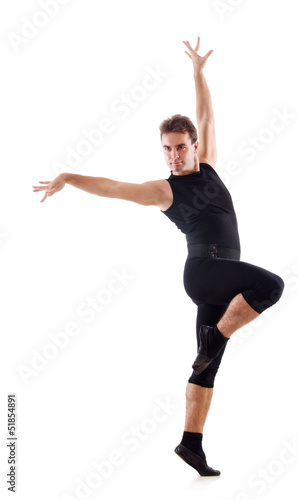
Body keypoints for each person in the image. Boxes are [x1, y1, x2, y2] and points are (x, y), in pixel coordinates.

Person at [32, 37, 284, 477]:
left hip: (219, 277)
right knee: (271, 286)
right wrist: (69, 176)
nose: (173, 154)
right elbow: (113, 186)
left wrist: (198, 73)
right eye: (166, 148)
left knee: (206, 368)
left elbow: (205, 112)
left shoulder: (208, 164)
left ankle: (191, 445)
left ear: (194, 144)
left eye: (180, 146)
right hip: (204, 272)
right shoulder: (163, 190)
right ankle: (217, 336)